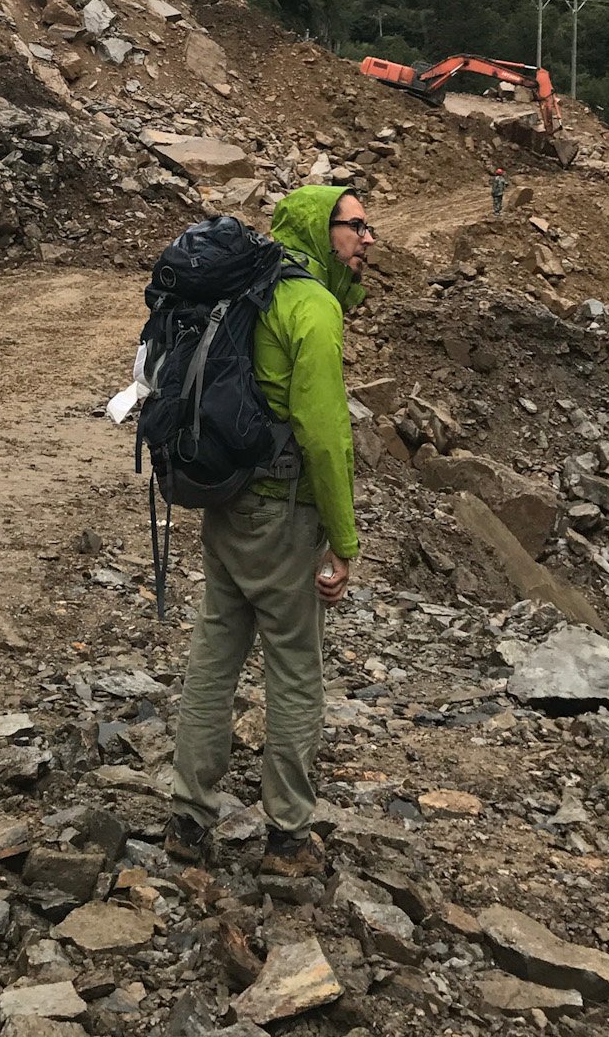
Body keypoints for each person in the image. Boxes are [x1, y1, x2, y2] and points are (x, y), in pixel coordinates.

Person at [166, 184, 366, 877]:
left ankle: (188, 819)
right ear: (320, 227)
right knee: (294, 665)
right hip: (283, 511)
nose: (368, 239)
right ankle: (287, 837)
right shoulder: (309, 305)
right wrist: (344, 538)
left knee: (214, 654)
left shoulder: (244, 289)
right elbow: (325, 434)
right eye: (355, 226)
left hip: (227, 499)